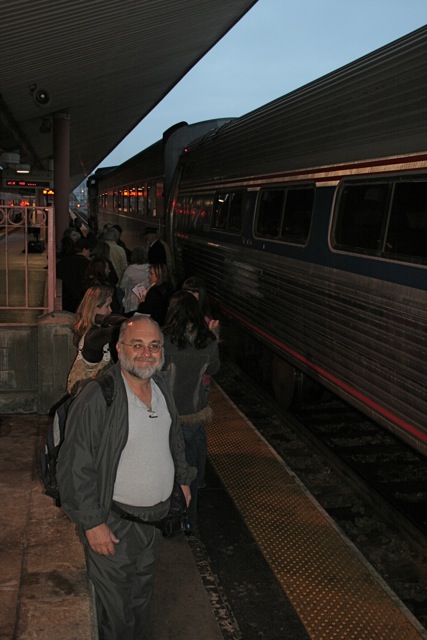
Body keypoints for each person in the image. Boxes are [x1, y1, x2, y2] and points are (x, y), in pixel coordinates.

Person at [58, 316, 196, 640]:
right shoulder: (99, 396)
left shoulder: (160, 388)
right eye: (137, 345)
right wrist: (92, 523)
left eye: (154, 346)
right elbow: (75, 464)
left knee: (140, 598)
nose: (147, 353)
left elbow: (173, 437)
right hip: (114, 524)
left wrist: (183, 478)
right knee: (116, 613)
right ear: (120, 350)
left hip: (154, 521)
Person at [162, 290, 220, 531]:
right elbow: (214, 369)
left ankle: (168, 516)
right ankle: (189, 520)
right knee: (191, 472)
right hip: (193, 416)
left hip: (167, 416)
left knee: (166, 468)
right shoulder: (208, 341)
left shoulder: (165, 339)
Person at [182, 276, 220, 399]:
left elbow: (210, 356)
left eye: (193, 293)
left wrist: (213, 335)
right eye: (186, 292)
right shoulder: (180, 316)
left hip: (200, 380)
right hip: (183, 378)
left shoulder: (205, 321)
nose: (189, 296)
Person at [57, 236, 92, 312]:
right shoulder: (88, 264)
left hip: (66, 298)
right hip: (82, 299)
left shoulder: (64, 262)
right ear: (84, 249)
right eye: (89, 250)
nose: (89, 253)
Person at [119, 245, 150, 313]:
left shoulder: (129, 269)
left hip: (132, 301)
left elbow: (122, 286)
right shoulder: (150, 269)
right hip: (148, 299)